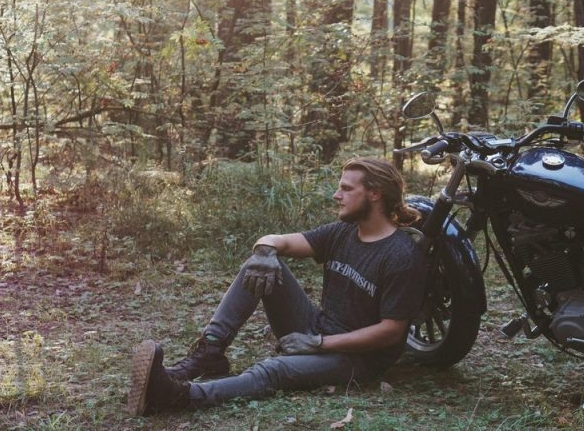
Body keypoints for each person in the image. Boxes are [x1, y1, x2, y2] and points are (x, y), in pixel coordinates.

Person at [126, 157, 428, 416]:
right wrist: (265, 250)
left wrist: (319, 345)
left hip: (358, 359)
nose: (337, 195)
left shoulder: (401, 256)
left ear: (374, 194)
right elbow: (278, 240)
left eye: (347, 189)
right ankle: (210, 352)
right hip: (318, 329)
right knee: (260, 265)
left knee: (274, 369)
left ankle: (176, 396)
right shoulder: (343, 231)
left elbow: (392, 332)